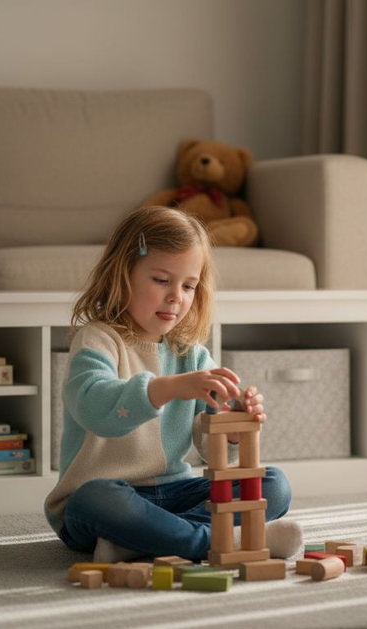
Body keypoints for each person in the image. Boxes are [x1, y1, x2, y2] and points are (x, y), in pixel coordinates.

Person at [44, 205, 301, 563]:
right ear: (123, 274)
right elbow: (95, 408)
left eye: (189, 285)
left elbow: (211, 452)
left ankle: (145, 541)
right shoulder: (97, 340)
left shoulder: (191, 355)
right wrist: (169, 387)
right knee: (95, 498)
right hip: (103, 499)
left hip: (175, 492)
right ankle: (220, 541)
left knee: (274, 484)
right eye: (162, 280)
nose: (176, 297)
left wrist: (231, 427)